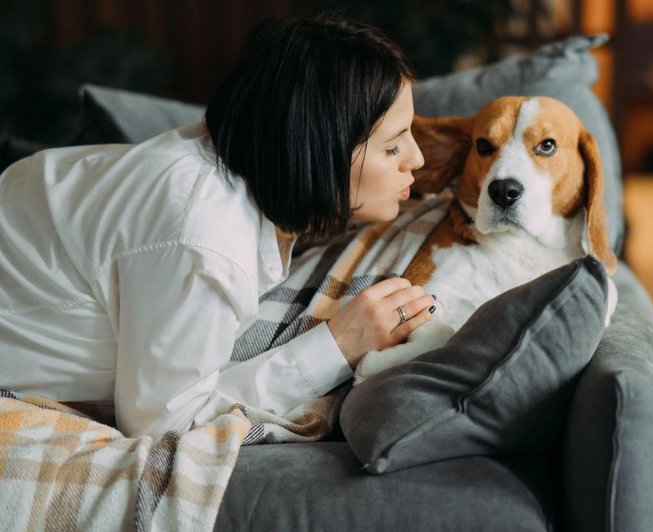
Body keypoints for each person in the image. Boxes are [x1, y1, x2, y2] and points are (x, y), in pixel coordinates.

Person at [0, 16, 435, 438]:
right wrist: (336, 345)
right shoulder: (204, 236)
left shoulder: (239, 163)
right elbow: (162, 423)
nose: (416, 159)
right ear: (316, 149)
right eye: (393, 145)